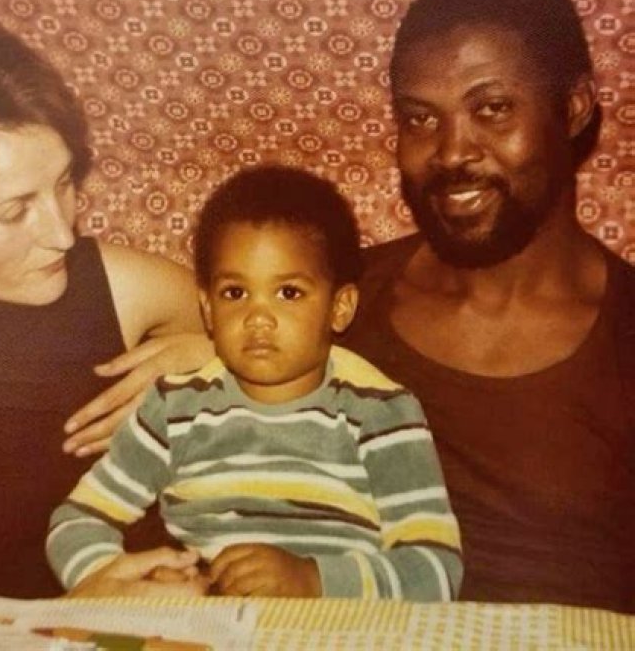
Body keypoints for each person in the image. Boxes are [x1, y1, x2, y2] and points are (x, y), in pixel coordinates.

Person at [341, 0, 635, 613]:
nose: (451, 153)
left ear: (574, 109)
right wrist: (203, 354)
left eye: (492, 109)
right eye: (420, 119)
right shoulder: (338, 300)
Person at [47, 165, 462, 600]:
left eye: (289, 293)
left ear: (340, 307)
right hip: (204, 622)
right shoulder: (173, 408)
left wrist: (313, 579)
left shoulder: (382, 412)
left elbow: (436, 569)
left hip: (336, 625)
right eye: (235, 293)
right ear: (208, 308)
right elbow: (76, 520)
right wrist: (122, 582)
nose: (258, 317)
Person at [0, 18, 212, 600]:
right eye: (14, 212)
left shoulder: (123, 288)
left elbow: (318, 362)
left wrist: (214, 362)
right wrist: (62, 619)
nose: (61, 233)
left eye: (64, 184)